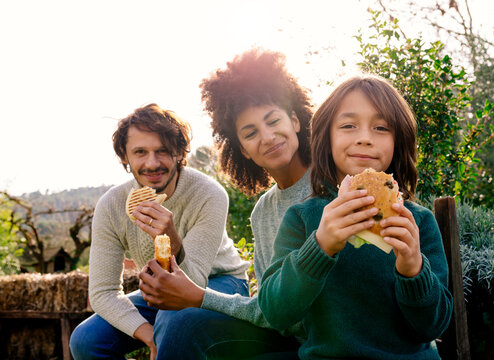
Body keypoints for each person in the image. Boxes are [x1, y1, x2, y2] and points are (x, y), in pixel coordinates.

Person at [258, 74, 454, 359]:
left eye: (381, 127)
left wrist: (413, 267)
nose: (364, 138)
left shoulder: (417, 223)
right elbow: (276, 312)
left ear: (398, 141)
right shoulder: (303, 217)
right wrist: (320, 247)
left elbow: (433, 327)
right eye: (348, 125)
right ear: (326, 137)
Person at [138, 48, 312, 359]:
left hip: (326, 344)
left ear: (296, 120)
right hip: (286, 337)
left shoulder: (331, 187)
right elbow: (269, 310)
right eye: (251, 133)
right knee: (183, 324)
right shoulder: (263, 211)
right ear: (243, 150)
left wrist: (198, 295)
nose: (268, 137)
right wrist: (196, 299)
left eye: (274, 121)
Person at [70, 103, 250, 360]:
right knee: (85, 340)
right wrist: (148, 334)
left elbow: (195, 281)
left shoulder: (208, 194)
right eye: (140, 152)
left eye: (162, 151)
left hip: (221, 282)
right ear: (125, 156)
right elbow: (103, 292)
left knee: (174, 318)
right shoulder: (112, 205)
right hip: (161, 295)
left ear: (179, 152)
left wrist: (171, 241)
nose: (151, 163)